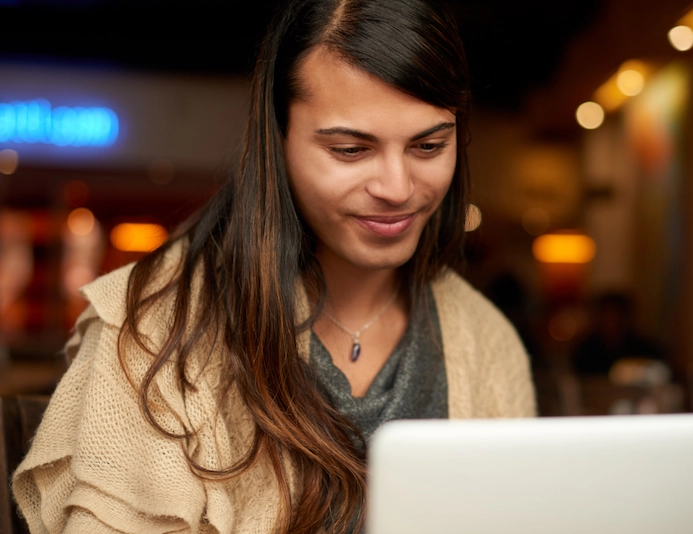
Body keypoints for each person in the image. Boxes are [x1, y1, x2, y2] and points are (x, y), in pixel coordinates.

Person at [12, 0, 536, 532]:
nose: (397, 189)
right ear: (277, 138)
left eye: (428, 146)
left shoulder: (486, 342)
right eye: (351, 150)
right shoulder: (156, 330)